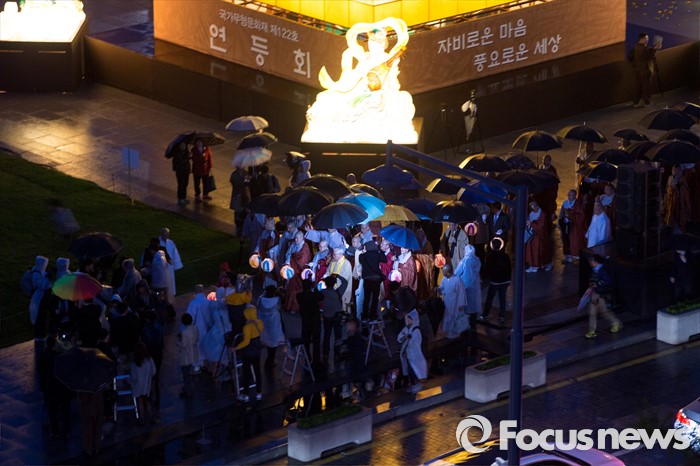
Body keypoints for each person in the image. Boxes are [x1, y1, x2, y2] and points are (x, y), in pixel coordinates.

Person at [38, 335, 72, 439]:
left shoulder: (42, 356)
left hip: (49, 386)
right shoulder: (58, 357)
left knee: (52, 410)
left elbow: (41, 372)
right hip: (60, 387)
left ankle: (55, 431)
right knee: (65, 411)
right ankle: (64, 432)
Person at [585, 254, 622, 339]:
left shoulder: (602, 271)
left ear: (596, 262)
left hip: (600, 295)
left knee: (604, 312)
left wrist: (597, 287)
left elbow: (607, 283)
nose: (590, 263)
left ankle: (616, 323)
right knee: (592, 313)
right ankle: (592, 330)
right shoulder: (594, 271)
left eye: (592, 261)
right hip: (594, 294)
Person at [234, 305, 264, 402]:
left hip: (248, 352)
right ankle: (259, 392)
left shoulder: (247, 327)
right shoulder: (259, 322)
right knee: (257, 371)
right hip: (257, 350)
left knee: (246, 373)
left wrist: (235, 348)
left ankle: (245, 394)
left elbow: (246, 342)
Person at [481, 237, 512, 324]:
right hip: (505, 281)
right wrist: (509, 279)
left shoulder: (490, 257)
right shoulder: (506, 256)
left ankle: (485, 314)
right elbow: (509, 268)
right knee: (502, 298)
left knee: (490, 298)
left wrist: (483, 278)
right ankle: (501, 316)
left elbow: (486, 269)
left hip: (495, 281)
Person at [397, 309, 428, 394]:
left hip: (414, 354)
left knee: (414, 370)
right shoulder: (406, 329)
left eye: (410, 319)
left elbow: (414, 343)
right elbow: (399, 338)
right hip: (408, 354)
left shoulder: (416, 330)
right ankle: (413, 385)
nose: (408, 320)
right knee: (409, 370)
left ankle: (417, 384)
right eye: (407, 319)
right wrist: (404, 338)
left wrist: (406, 342)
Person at [320, 274, 349, 362]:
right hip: (337, 317)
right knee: (338, 336)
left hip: (326, 317)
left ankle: (325, 355)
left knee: (327, 336)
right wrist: (337, 275)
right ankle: (337, 354)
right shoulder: (338, 292)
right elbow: (345, 282)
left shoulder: (322, 292)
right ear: (334, 283)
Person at [437, 263, 469, 339]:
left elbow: (461, 293)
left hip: (455, 304)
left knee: (454, 318)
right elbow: (441, 288)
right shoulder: (444, 279)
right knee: (447, 317)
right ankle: (449, 332)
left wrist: (461, 304)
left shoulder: (457, 280)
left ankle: (455, 333)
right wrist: (438, 289)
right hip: (447, 303)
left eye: (444, 272)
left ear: (448, 272)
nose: (443, 273)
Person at [296, 278, 324, 365]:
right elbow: (321, 296)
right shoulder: (313, 295)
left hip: (305, 320)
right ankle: (316, 360)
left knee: (306, 341)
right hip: (315, 321)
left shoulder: (299, 295)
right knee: (316, 341)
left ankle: (307, 359)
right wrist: (315, 288)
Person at [257, 285, 285, 369]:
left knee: (266, 339)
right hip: (274, 323)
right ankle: (270, 360)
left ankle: (269, 361)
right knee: (273, 342)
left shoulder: (261, 299)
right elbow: (280, 306)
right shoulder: (277, 300)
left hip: (263, 322)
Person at [284, 231, 312, 313]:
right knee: (290, 288)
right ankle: (288, 305)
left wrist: (292, 262)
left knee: (296, 290)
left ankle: (295, 307)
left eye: (297, 238)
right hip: (291, 269)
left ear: (302, 238)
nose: (295, 240)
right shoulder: (293, 244)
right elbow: (288, 254)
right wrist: (288, 262)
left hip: (299, 272)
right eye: (295, 238)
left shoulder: (305, 248)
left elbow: (303, 261)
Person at [186, 284, 211, 373]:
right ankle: (205, 363)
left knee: (197, 348)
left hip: (197, 329)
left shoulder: (194, 303)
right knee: (205, 346)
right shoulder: (207, 302)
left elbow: (190, 317)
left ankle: (197, 366)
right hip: (207, 328)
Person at [130, 342, 157, 424]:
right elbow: (153, 371)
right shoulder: (149, 360)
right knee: (148, 401)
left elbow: (134, 376)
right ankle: (151, 417)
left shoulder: (134, 363)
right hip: (147, 384)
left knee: (140, 402)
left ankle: (142, 419)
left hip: (138, 385)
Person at [359, 241, 387, 321]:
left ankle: (364, 315)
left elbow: (361, 261)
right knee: (375, 298)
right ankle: (373, 315)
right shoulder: (377, 254)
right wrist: (381, 252)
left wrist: (364, 252)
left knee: (366, 298)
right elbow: (385, 260)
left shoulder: (362, 256)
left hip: (367, 279)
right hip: (376, 279)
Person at [631, 32, 660, 107]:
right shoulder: (643, 49)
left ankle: (635, 102)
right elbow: (649, 57)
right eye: (646, 38)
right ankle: (647, 102)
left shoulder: (637, 47)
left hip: (638, 70)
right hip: (645, 71)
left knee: (639, 87)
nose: (647, 40)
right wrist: (655, 49)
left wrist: (653, 49)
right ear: (642, 39)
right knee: (646, 87)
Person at [454, 244, 482, 321]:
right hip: (475, 285)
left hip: (465, 285)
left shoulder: (465, 261)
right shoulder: (477, 260)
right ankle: (473, 320)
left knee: (466, 302)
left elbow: (457, 272)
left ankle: (465, 321)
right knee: (474, 302)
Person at [559, 189, 586, 263]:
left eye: (570, 195)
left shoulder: (578, 205)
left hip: (574, 227)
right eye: (568, 194)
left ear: (575, 196)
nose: (568, 196)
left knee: (573, 241)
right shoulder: (565, 203)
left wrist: (571, 216)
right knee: (566, 241)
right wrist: (560, 222)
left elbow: (581, 216)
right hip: (565, 225)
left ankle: (573, 256)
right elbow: (561, 213)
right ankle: (567, 256)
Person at [525, 200, 552, 273]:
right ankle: (531, 264)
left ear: (537, 206)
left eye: (533, 208)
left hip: (538, 236)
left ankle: (536, 265)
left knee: (537, 251)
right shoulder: (531, 213)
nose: (532, 209)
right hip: (531, 235)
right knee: (530, 251)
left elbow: (541, 226)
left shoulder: (542, 214)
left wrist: (531, 223)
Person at [177, 312, 198, 399]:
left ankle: (188, 390)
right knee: (188, 373)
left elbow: (183, 345)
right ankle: (188, 388)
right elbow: (197, 338)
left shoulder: (184, 332)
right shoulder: (194, 328)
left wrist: (178, 341)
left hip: (186, 355)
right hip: (193, 352)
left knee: (185, 374)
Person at [665, 165, 692, 233]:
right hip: (671, 200)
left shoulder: (682, 178)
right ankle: (671, 227)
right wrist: (671, 187)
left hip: (680, 201)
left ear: (680, 171)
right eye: (674, 170)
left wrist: (678, 186)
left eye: (676, 170)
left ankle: (681, 228)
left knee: (680, 215)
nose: (675, 172)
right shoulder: (670, 178)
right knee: (671, 214)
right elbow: (667, 189)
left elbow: (685, 190)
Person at [159, 227, 183, 297]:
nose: (166, 237)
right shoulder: (158, 243)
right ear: (161, 235)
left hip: (170, 266)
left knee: (171, 280)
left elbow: (175, 253)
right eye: (164, 235)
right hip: (161, 267)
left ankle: (171, 294)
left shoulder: (171, 243)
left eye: (167, 235)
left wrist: (176, 265)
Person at [229, 165, 251, 238]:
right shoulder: (234, 174)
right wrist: (242, 182)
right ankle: (239, 229)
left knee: (245, 213)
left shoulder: (246, 173)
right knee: (238, 213)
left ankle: (244, 228)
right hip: (238, 196)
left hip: (245, 196)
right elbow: (234, 183)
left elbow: (249, 182)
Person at [169, 140, 191, 206]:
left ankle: (183, 198)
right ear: (179, 145)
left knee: (185, 184)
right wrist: (188, 157)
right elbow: (182, 161)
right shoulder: (177, 153)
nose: (183, 146)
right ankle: (180, 199)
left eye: (184, 144)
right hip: (180, 172)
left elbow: (187, 161)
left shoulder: (186, 151)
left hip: (186, 171)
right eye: (182, 144)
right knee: (181, 185)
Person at [190, 137, 213, 203]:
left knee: (205, 182)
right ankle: (197, 195)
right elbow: (194, 159)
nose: (199, 143)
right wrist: (201, 156)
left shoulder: (206, 148)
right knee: (197, 183)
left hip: (205, 169)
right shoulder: (193, 150)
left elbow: (210, 157)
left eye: (200, 142)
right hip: (197, 169)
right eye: (197, 142)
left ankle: (205, 194)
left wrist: (210, 166)